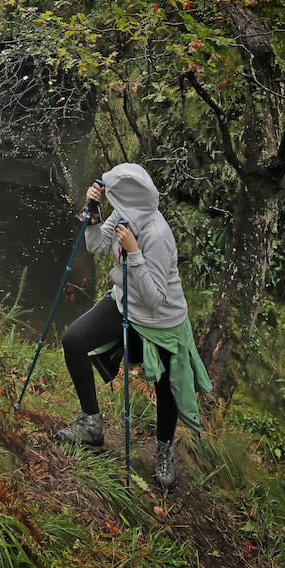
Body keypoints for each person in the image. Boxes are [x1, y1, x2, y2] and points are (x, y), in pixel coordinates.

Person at [54, 162, 211, 491]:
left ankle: (164, 449)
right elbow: (96, 246)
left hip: (162, 321)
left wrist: (134, 253)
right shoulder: (122, 214)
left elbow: (155, 297)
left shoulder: (157, 236)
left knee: (166, 385)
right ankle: (91, 424)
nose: (110, 201)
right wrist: (94, 214)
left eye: (112, 195)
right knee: (73, 340)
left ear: (129, 198)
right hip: (124, 303)